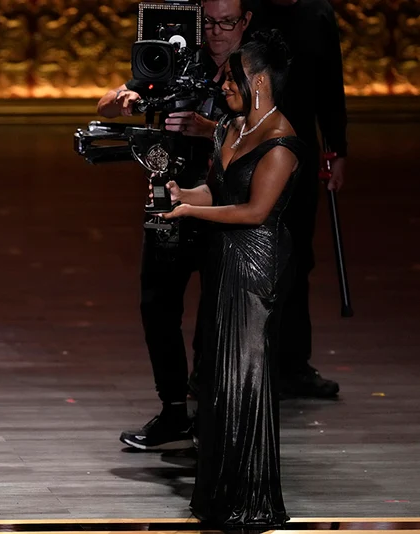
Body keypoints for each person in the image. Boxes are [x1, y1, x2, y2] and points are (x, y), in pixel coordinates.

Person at [160, 30, 302, 526]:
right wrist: (184, 195)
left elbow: (254, 211)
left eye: (232, 78)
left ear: (259, 79)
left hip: (256, 268)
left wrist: (191, 215)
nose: (223, 86)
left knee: (248, 376)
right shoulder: (229, 128)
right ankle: (218, 494)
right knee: (219, 374)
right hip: (223, 260)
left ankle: (250, 496)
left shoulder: (281, 141)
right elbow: (215, 191)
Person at [97, 0, 252, 451]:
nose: (217, 32)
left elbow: (275, 133)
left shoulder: (256, 68)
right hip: (168, 199)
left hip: (230, 206)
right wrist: (125, 100)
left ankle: (211, 410)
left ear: (245, 22)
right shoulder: (176, 56)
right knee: (157, 305)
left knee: (217, 312)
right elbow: (104, 104)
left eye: (227, 23)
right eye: (210, 22)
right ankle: (173, 410)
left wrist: (211, 129)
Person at [257, 0, 346, 398]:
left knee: (298, 256)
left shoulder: (317, 14)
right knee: (238, 256)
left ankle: (292, 364)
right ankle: (216, 363)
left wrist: (337, 150)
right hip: (249, 148)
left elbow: (331, 86)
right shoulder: (245, 12)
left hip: (303, 153)